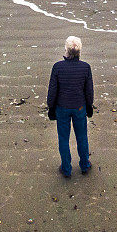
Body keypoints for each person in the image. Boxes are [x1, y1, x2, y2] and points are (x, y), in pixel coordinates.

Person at [47, 35, 94, 177]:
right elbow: (89, 91)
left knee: (63, 138)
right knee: (82, 137)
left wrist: (51, 107)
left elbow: (52, 90)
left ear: (66, 50)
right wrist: (89, 106)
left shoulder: (58, 67)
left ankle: (66, 169)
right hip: (79, 107)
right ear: (79, 51)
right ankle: (85, 165)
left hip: (62, 108)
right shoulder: (85, 67)